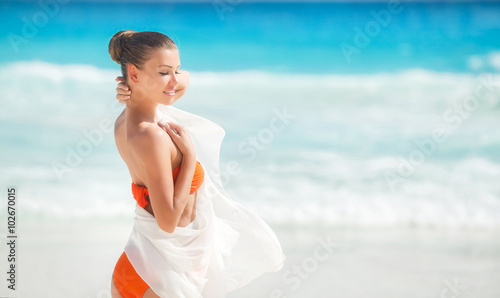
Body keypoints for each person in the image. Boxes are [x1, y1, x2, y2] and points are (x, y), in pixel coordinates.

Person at [108, 30, 285, 298]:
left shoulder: (126, 121)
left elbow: (182, 81)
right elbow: (168, 221)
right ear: (133, 73)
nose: (174, 81)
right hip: (160, 277)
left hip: (143, 266)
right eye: (164, 72)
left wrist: (142, 82)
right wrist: (189, 157)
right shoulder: (152, 134)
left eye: (176, 70)